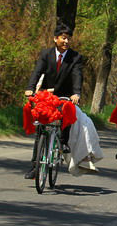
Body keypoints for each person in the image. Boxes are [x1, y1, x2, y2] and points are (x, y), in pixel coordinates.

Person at [23, 23, 83, 179]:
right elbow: (37, 72)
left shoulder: (75, 57)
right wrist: (30, 88)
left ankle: (63, 141)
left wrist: (76, 93)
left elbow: (77, 76)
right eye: (63, 38)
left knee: (68, 111)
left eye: (69, 39)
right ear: (55, 38)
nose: (66, 41)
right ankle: (35, 167)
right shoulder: (46, 54)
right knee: (41, 128)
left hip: (65, 95)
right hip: (47, 94)